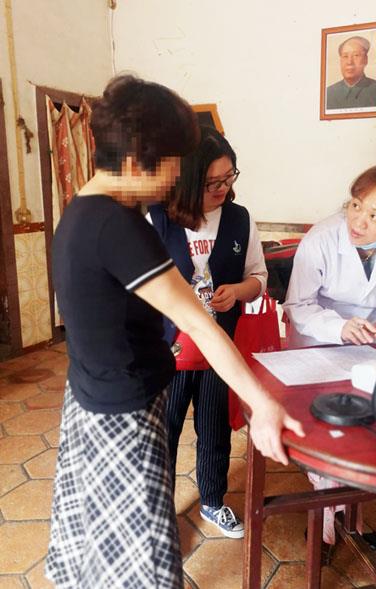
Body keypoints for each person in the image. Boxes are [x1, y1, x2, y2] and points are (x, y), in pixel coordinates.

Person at [46, 75, 303, 589]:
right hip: (122, 412)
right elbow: (197, 323)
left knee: (102, 541)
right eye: (172, 165)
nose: (175, 180)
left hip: (91, 395)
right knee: (141, 561)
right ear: (138, 162)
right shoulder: (121, 227)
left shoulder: (82, 208)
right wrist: (263, 404)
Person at [283, 164, 376, 545]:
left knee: (366, 427)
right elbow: (298, 305)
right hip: (317, 342)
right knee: (330, 430)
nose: (358, 221)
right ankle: (329, 522)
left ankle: (350, 513)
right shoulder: (322, 238)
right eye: (355, 205)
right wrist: (338, 328)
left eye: (374, 216)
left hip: (370, 343)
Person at [147, 126, 267, 539]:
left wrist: (238, 292)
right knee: (162, 431)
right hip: (169, 350)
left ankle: (213, 501)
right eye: (212, 182)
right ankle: (155, 511)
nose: (223, 188)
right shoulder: (158, 218)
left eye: (229, 177)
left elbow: (258, 277)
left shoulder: (239, 219)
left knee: (214, 430)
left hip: (220, 350)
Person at [326, 35, 376, 110]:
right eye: (345, 56)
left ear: (365, 60)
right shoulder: (329, 93)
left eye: (356, 55)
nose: (349, 62)